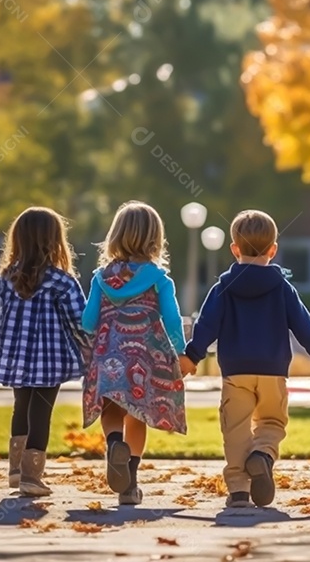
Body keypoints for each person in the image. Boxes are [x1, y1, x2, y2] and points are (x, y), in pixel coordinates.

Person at [184, 210, 310, 508]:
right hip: (273, 370)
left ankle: (238, 489)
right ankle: (262, 455)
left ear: (234, 248)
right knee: (272, 421)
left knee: (234, 428)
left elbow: (206, 324)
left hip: (236, 372)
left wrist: (192, 355)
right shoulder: (283, 288)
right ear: (273, 250)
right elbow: (304, 325)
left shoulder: (222, 287)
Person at [81, 201, 194, 506]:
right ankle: (129, 484)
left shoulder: (100, 278)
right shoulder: (159, 278)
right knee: (137, 414)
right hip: (144, 357)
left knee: (111, 409)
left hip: (108, 352)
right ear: (156, 239)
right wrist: (181, 352)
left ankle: (114, 443)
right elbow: (171, 319)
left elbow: (88, 321)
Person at [0, 206, 88, 497]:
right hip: (49, 361)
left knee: (21, 408)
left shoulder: (5, 278)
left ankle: (16, 470)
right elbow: (81, 322)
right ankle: (31, 476)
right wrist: (94, 351)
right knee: (41, 413)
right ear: (54, 241)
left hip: (14, 359)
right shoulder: (62, 281)